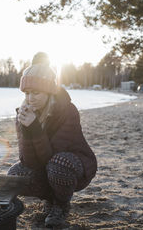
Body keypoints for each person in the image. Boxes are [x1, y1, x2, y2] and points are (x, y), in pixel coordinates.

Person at [8, 52, 97, 228]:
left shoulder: (68, 112)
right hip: (45, 167)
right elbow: (29, 161)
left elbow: (50, 156)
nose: (30, 98)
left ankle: (61, 205)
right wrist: (27, 129)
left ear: (48, 92)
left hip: (73, 167)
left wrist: (34, 128)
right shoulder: (24, 114)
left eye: (36, 93)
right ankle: (50, 199)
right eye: (26, 93)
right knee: (15, 175)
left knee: (58, 164)